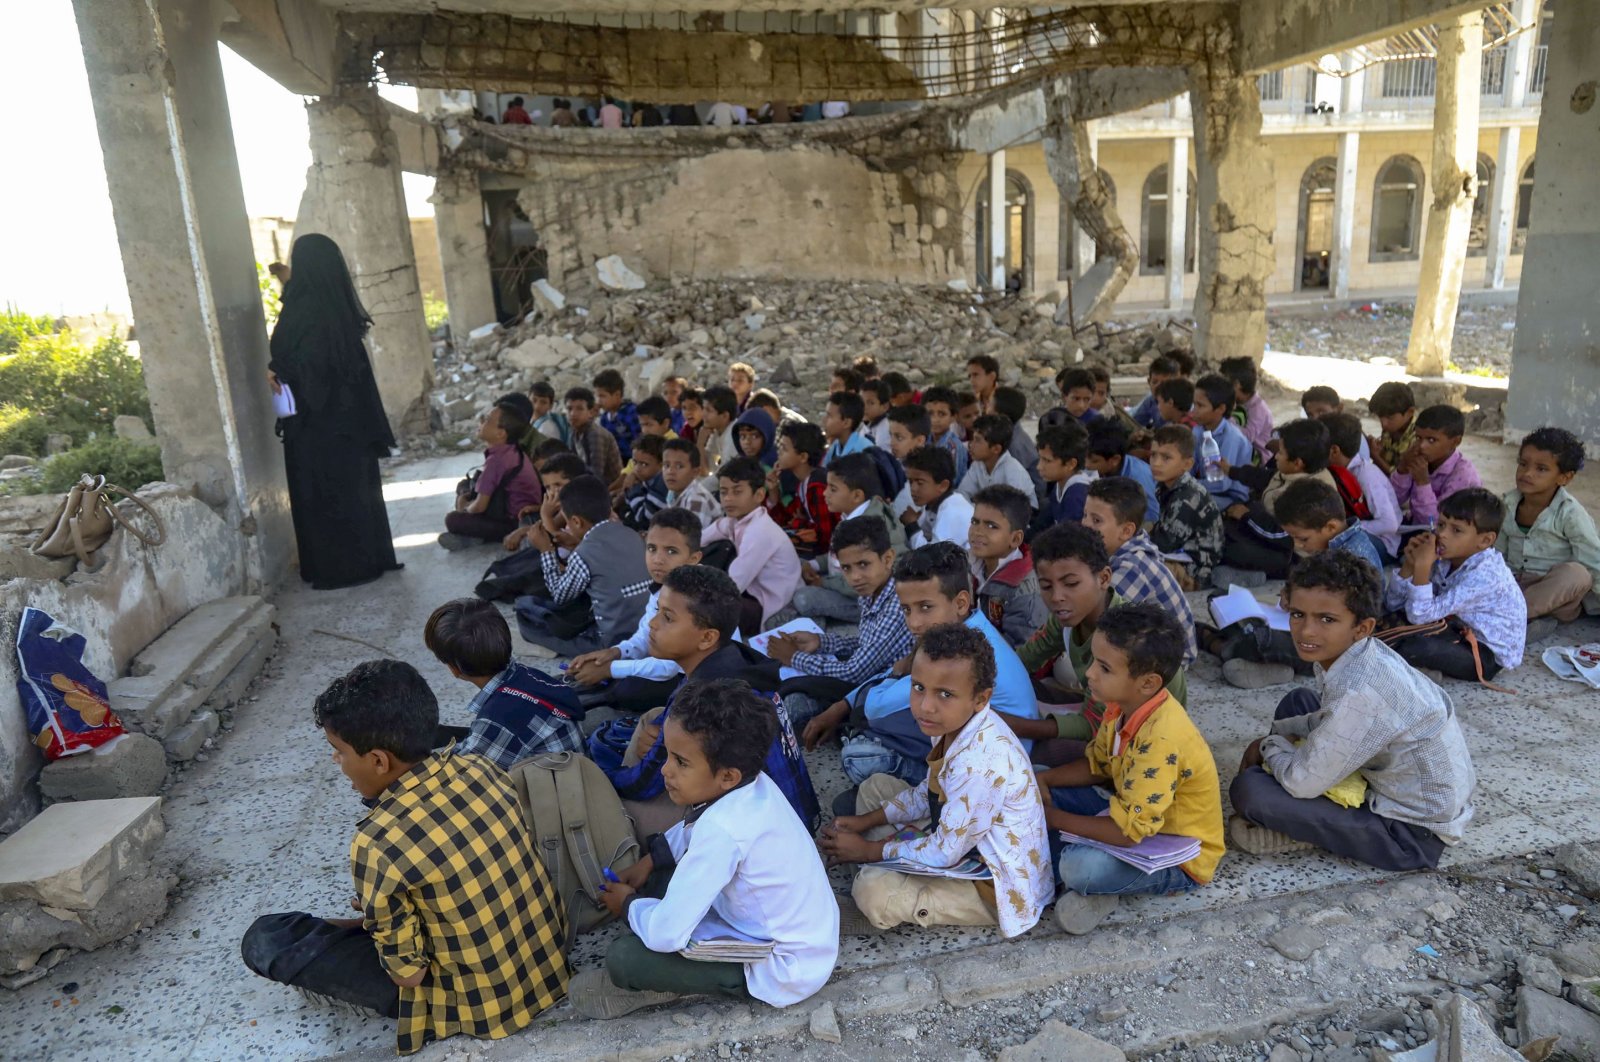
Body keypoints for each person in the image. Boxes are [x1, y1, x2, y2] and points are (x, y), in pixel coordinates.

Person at [241, 661, 567, 1053]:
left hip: (478, 1004)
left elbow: (409, 975)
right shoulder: (482, 768)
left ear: (378, 760)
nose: (336, 762)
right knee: (386, 909)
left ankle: (367, 922)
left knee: (267, 937)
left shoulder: (377, 842)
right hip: (548, 967)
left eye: (339, 752)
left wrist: (384, 926)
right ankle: (370, 917)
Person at [574, 679, 838, 1019]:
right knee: (656, 881)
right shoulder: (752, 783)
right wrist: (649, 862)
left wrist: (625, 904)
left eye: (681, 762)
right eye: (668, 755)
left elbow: (665, 934)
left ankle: (662, 987)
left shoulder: (724, 830)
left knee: (625, 959)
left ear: (727, 776)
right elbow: (690, 832)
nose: (666, 770)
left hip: (784, 969)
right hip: (801, 930)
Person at [1229, 552, 1477, 871]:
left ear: (1362, 627)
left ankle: (1303, 833)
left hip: (1409, 833)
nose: (1306, 632)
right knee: (1298, 701)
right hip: (1385, 774)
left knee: (1250, 792)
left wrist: (1267, 746)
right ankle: (1311, 820)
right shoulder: (1360, 655)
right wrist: (1280, 737)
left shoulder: (1360, 691)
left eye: (1326, 620)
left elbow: (1301, 782)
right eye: (1297, 615)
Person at [819, 623, 1053, 937]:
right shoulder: (950, 725)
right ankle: (869, 862)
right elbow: (929, 792)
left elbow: (945, 852)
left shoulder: (981, 765)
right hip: (957, 832)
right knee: (875, 787)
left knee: (874, 894)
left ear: (981, 699)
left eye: (945, 694)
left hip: (992, 885)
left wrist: (870, 850)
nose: (926, 706)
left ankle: (873, 891)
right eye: (918, 687)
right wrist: (865, 823)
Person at [1038, 603, 1224, 934]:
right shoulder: (1120, 705)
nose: (1089, 673)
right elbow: (1099, 764)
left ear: (1148, 683)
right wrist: (1044, 779)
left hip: (1177, 858)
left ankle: (1095, 886)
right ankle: (1069, 872)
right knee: (1036, 777)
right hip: (1128, 814)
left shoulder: (1162, 737)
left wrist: (1054, 818)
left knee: (1079, 866)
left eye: (1104, 668)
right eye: (1094, 661)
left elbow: (1127, 833)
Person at [603, 565, 818, 838]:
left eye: (667, 617)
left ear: (707, 638)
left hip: (761, 837)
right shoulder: (737, 659)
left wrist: (601, 776)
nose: (653, 624)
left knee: (611, 809)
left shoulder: (705, 697)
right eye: (657, 611)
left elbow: (641, 785)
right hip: (796, 816)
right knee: (654, 718)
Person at [801, 542, 1040, 785]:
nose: (914, 623)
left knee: (859, 754)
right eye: (906, 609)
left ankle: (926, 789)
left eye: (925, 607)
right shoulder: (961, 628)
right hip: (989, 741)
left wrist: (894, 676)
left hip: (993, 767)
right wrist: (842, 705)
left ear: (960, 603)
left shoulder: (957, 653)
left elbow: (875, 707)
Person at [266, 233, 403, 590]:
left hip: (318, 426)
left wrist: (279, 370)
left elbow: (310, 361)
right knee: (354, 491)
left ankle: (342, 568)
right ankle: (366, 558)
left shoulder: (305, 308)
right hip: (348, 424)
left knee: (325, 496)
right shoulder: (331, 305)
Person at [1014, 523, 1188, 758]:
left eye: (1071, 584)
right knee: (1027, 688)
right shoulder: (1067, 617)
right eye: (1046, 586)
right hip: (1102, 711)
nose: (1056, 597)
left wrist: (1015, 725)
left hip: (1141, 742)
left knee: (1044, 750)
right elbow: (1024, 659)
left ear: (1104, 578)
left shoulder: (1123, 639)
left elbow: (1092, 726)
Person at [1212, 478, 1385, 691]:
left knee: (1259, 639)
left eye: (1302, 539)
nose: (1298, 545)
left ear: (1330, 527)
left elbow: (1344, 628)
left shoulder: (1357, 557)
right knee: (1219, 598)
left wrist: (1302, 613)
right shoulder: (1326, 545)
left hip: (1328, 644)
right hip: (1297, 625)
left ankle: (1235, 648)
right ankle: (1233, 646)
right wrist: (1289, 594)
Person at [767, 517, 914, 729]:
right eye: (846, 568)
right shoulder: (871, 591)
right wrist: (821, 642)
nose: (855, 577)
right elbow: (867, 643)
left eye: (863, 564)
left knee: (793, 700)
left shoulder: (897, 604)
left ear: (888, 558)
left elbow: (854, 673)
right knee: (782, 683)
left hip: (879, 687)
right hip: (867, 674)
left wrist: (794, 657)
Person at [567, 508, 704, 714]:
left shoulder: (697, 596)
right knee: (621, 648)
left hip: (699, 682)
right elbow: (643, 637)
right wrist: (613, 653)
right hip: (672, 664)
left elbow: (669, 667)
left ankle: (596, 699)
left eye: (671, 551)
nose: (657, 559)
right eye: (651, 548)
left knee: (630, 688)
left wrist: (609, 669)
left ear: (693, 558)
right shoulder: (665, 585)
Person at [1382, 488, 1525, 682]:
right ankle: (1424, 669)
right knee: (1385, 618)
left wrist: (1423, 566)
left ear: (1485, 540)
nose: (1442, 535)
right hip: (1454, 627)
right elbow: (1394, 605)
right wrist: (1409, 565)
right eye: (1440, 525)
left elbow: (1419, 615)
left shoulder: (1485, 575)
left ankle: (1426, 675)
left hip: (1484, 655)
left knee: (1415, 647)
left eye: (1456, 530)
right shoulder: (1446, 559)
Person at [424, 598, 583, 766]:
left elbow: (463, 772)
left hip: (555, 788)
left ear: (454, 669)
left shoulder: (497, 719)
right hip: (574, 771)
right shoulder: (527, 676)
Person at [516, 475, 652, 657]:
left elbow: (559, 595)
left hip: (611, 643)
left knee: (525, 610)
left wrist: (546, 550)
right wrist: (576, 545)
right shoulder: (631, 533)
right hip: (646, 631)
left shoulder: (585, 553)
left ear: (576, 522)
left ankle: (554, 647)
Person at [1082, 477, 1199, 666]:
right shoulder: (1119, 550)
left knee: (1068, 664)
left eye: (1096, 520)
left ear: (1127, 531)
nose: (1086, 525)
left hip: (1167, 664)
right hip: (1147, 644)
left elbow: (1102, 624)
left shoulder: (1131, 568)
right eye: (1085, 515)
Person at [1498, 426, 1600, 634]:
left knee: (1578, 574)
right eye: (1523, 464)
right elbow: (1498, 553)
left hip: (1554, 593)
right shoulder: (1506, 505)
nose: (1527, 473)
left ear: (1564, 478)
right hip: (1513, 585)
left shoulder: (1570, 513)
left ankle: (1512, 615)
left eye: (1541, 469)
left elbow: (1593, 560)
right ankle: (1528, 618)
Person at [790, 452, 906, 620]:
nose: (825, 494)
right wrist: (813, 565)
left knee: (804, 597)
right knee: (799, 563)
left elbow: (861, 581)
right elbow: (835, 556)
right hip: (841, 581)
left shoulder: (867, 527)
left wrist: (822, 583)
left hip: (864, 598)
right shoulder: (852, 515)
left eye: (833, 489)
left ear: (856, 495)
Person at [705, 457, 804, 636]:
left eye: (737, 492)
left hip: (773, 605)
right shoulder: (734, 521)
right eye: (723, 491)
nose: (728, 498)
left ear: (759, 495)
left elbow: (733, 584)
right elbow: (700, 539)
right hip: (753, 594)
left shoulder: (760, 531)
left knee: (706, 611)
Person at [968, 485, 1047, 648]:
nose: (978, 531)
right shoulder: (970, 562)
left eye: (991, 526)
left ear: (1016, 539)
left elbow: (1022, 650)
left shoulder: (1026, 588)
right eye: (975, 522)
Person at [1146, 424, 1223, 590]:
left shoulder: (1187, 498)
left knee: (1141, 566)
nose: (1156, 463)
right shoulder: (1167, 485)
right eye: (1153, 455)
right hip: (1179, 551)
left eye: (1166, 458)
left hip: (1197, 569)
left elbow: (1163, 544)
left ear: (1187, 464)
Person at [1321, 411, 1401, 559]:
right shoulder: (1335, 471)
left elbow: (1389, 524)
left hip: (1382, 543)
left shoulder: (1366, 475)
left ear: (1334, 451)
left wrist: (1345, 529)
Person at [1389, 405, 1482, 526]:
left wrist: (1422, 483)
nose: (1422, 446)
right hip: (1415, 527)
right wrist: (1402, 469)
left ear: (1456, 441)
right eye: (1418, 438)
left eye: (1431, 440)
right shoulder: (1421, 459)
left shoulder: (1463, 475)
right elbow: (1392, 500)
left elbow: (1436, 524)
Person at [768, 421, 835, 558]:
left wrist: (800, 522)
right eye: (779, 446)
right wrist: (773, 490)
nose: (779, 452)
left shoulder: (817, 488)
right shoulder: (803, 485)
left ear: (803, 457)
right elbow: (785, 519)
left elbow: (826, 536)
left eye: (785, 449)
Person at [1190, 374, 1252, 508]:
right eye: (1194, 404)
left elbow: (1221, 483)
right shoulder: (1198, 430)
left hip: (1231, 498)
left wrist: (1187, 484)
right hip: (1206, 488)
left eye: (1200, 405)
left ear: (1220, 409)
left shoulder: (1232, 438)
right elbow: (1190, 464)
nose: (1194, 411)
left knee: (1188, 501)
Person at [1086, 420, 1159, 523]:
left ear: (1115, 460)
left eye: (1094, 461)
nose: (1087, 465)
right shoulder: (1103, 467)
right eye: (1086, 457)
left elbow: (1152, 519)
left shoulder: (1138, 478)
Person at [1030, 422, 1095, 537]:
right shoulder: (1061, 484)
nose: (1039, 466)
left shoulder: (1077, 495)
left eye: (1047, 460)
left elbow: (1066, 539)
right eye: (1040, 458)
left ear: (1071, 464)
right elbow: (1042, 524)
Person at [903, 446, 972, 549]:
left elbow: (934, 557)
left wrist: (911, 525)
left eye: (920, 483)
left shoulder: (952, 511)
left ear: (943, 486)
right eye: (910, 482)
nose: (913, 488)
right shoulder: (932, 503)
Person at [957, 415, 1035, 500]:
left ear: (996, 449)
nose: (971, 445)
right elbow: (962, 494)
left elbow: (1015, 509)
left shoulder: (1014, 473)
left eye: (978, 440)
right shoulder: (977, 465)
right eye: (973, 439)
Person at [1219, 356, 1273, 464]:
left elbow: (1247, 437)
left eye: (1224, 383)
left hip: (1257, 458)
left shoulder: (1258, 409)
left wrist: (1226, 419)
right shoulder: (1238, 402)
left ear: (1237, 385)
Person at [566, 386, 623, 486]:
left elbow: (597, 474)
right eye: (569, 409)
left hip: (610, 488)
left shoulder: (595, 434)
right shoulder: (574, 433)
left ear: (591, 412)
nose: (573, 414)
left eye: (579, 409)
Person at [661, 438, 722, 527]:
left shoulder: (697, 498)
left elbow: (689, 538)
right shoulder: (673, 493)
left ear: (695, 472)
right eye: (666, 465)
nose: (670, 471)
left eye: (679, 466)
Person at [920, 384, 970, 483]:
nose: (935, 420)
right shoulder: (924, 440)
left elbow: (951, 481)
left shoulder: (953, 447)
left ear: (953, 417)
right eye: (930, 413)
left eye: (941, 414)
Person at [1367, 381, 1418, 477]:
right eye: (1380, 417)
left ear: (1410, 412)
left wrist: (1375, 456)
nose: (1383, 424)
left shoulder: (1419, 438)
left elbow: (1402, 479)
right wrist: (1379, 452)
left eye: (1390, 418)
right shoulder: (1391, 429)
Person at [594, 369, 640, 464]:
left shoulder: (631, 413)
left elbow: (639, 441)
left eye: (602, 396)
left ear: (617, 395)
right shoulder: (604, 418)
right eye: (597, 396)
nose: (598, 401)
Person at [696, 385, 741, 483]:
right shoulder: (716, 431)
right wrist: (700, 444)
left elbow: (722, 478)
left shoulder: (733, 437)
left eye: (708, 410)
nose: (703, 414)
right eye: (703, 408)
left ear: (725, 416)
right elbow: (705, 469)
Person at [822, 391, 872, 466]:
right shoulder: (835, 447)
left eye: (829, 416)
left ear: (846, 423)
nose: (824, 420)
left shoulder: (862, 452)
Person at [529, 381, 571, 445]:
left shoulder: (546, 428)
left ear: (550, 406)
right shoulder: (531, 421)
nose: (537, 406)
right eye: (534, 400)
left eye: (543, 402)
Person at [859, 379, 893, 450]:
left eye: (870, 403)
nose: (864, 407)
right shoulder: (866, 424)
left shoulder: (886, 428)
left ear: (885, 406)